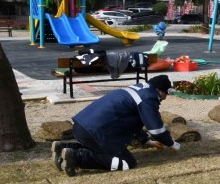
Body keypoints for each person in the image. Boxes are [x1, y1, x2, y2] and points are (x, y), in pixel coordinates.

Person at [52, 75, 180, 177]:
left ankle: (63, 147)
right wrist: (172, 143)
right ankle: (76, 157)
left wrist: (146, 141)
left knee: (101, 148)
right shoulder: (148, 98)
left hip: (82, 127)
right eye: (166, 93)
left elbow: (134, 122)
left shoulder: (137, 90)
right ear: (159, 89)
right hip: (95, 133)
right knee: (126, 162)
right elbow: (156, 129)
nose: (165, 98)